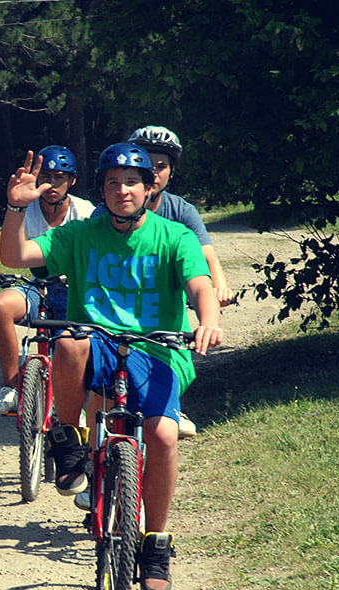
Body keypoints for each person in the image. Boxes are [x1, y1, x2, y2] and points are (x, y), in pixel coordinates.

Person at [0, 143, 223, 590]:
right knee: (69, 339)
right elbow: (15, 256)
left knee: (161, 437)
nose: (123, 191)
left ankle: (155, 541)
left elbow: (200, 284)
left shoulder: (172, 237)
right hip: (97, 341)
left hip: (155, 351)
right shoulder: (82, 234)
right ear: (101, 189)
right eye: (113, 183)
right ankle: (67, 440)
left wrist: (209, 320)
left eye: (133, 182)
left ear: (149, 187)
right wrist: (15, 208)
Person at [97, 126, 233, 438]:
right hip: (120, 295)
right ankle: (92, 455)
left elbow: (206, 256)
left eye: (162, 166)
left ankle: (170, 403)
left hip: (169, 287)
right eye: (149, 164)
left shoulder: (181, 211)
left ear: (171, 172)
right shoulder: (109, 211)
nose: (155, 173)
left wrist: (219, 285)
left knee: (174, 327)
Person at [0, 145, 93, 415]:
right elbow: (2, 239)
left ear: (72, 181)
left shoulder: (85, 212)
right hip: (37, 288)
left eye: (60, 177)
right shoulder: (27, 208)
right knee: (2, 305)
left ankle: (86, 394)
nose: (52, 184)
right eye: (46, 176)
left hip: (75, 291)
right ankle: (13, 387)